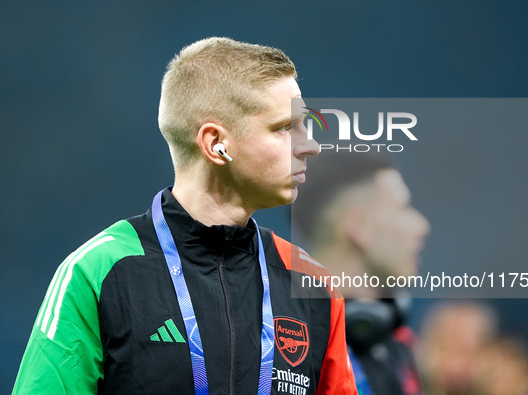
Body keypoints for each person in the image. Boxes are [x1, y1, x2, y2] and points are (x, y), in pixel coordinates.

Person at [13, 37, 357, 394]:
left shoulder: (314, 285)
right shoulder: (98, 271)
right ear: (215, 144)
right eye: (285, 127)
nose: (311, 145)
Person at [293, 151, 430, 395]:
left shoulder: (399, 344)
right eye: (404, 208)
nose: (421, 226)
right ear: (359, 227)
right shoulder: (290, 348)